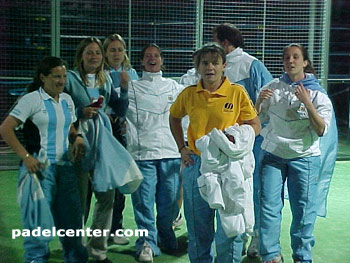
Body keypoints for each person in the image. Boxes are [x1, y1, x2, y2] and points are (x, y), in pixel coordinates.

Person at [169, 43, 261, 263]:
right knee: (198, 228)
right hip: (196, 166)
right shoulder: (189, 94)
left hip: (229, 168)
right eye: (205, 63)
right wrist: (182, 148)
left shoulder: (237, 92)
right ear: (198, 67)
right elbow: (174, 117)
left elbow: (255, 124)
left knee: (230, 227)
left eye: (215, 62)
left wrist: (239, 137)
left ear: (224, 66)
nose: (210, 67)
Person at [0, 56, 88, 263]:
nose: (61, 80)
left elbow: (70, 126)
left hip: (65, 169)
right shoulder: (31, 100)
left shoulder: (66, 99)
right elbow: (6, 128)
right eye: (56, 76)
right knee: (38, 226)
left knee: (73, 224)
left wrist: (77, 138)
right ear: (42, 77)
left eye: (64, 76)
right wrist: (26, 157)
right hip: (39, 170)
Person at [255, 43, 333, 263]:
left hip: (305, 158)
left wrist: (307, 103)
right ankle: (270, 255)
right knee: (269, 207)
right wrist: (259, 102)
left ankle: (302, 256)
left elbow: (320, 130)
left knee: (304, 212)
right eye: (287, 57)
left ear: (305, 62)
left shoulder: (317, 93)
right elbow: (257, 121)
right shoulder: (272, 87)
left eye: (295, 57)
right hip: (272, 155)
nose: (290, 61)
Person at [64, 37, 129, 263]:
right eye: (89, 53)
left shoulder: (105, 80)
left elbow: (116, 107)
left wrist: (126, 90)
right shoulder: (70, 79)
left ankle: (98, 251)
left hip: (102, 144)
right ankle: (76, 250)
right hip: (78, 145)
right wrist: (80, 113)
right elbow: (62, 108)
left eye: (97, 53)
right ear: (81, 56)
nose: (94, 57)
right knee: (79, 202)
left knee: (107, 196)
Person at [213, 23, 273, 257]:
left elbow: (269, 99)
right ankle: (233, 239)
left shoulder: (251, 65)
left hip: (251, 142)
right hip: (224, 142)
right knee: (226, 190)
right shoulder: (215, 66)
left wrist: (253, 128)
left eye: (215, 40)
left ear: (226, 43)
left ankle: (255, 235)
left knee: (252, 187)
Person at [124, 43, 184, 262]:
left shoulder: (175, 87)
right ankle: (147, 243)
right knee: (143, 203)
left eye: (156, 55)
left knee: (169, 202)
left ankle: (166, 235)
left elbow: (183, 117)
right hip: (142, 154)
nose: (152, 59)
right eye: (148, 56)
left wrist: (184, 146)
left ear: (162, 60)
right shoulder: (130, 87)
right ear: (141, 61)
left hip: (170, 152)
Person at [103, 33, 139, 246]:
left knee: (121, 183)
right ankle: (99, 230)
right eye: (112, 50)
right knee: (101, 184)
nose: (116, 54)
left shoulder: (132, 74)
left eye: (120, 49)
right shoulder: (100, 75)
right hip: (104, 134)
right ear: (105, 53)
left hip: (126, 135)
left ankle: (116, 227)